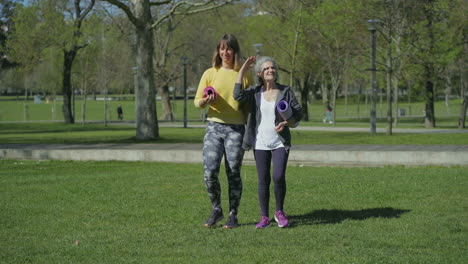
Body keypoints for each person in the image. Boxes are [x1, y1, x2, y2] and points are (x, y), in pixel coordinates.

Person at [233, 56, 303, 228]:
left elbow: (299, 113)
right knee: (263, 179)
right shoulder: (255, 93)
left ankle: (279, 212)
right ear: (260, 73)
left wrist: (287, 122)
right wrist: (242, 69)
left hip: (280, 141)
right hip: (260, 142)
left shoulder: (285, 91)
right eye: (266, 69)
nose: (270, 70)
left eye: (272, 68)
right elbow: (237, 95)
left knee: (278, 176)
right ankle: (264, 216)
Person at [194, 34, 253, 229]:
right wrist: (206, 100)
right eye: (221, 48)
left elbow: (249, 104)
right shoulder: (210, 73)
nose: (224, 52)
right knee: (210, 171)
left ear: (234, 51)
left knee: (233, 172)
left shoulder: (244, 75)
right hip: (214, 126)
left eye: (228, 49)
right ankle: (216, 209)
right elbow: (197, 102)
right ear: (217, 51)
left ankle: (233, 215)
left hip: (236, 129)